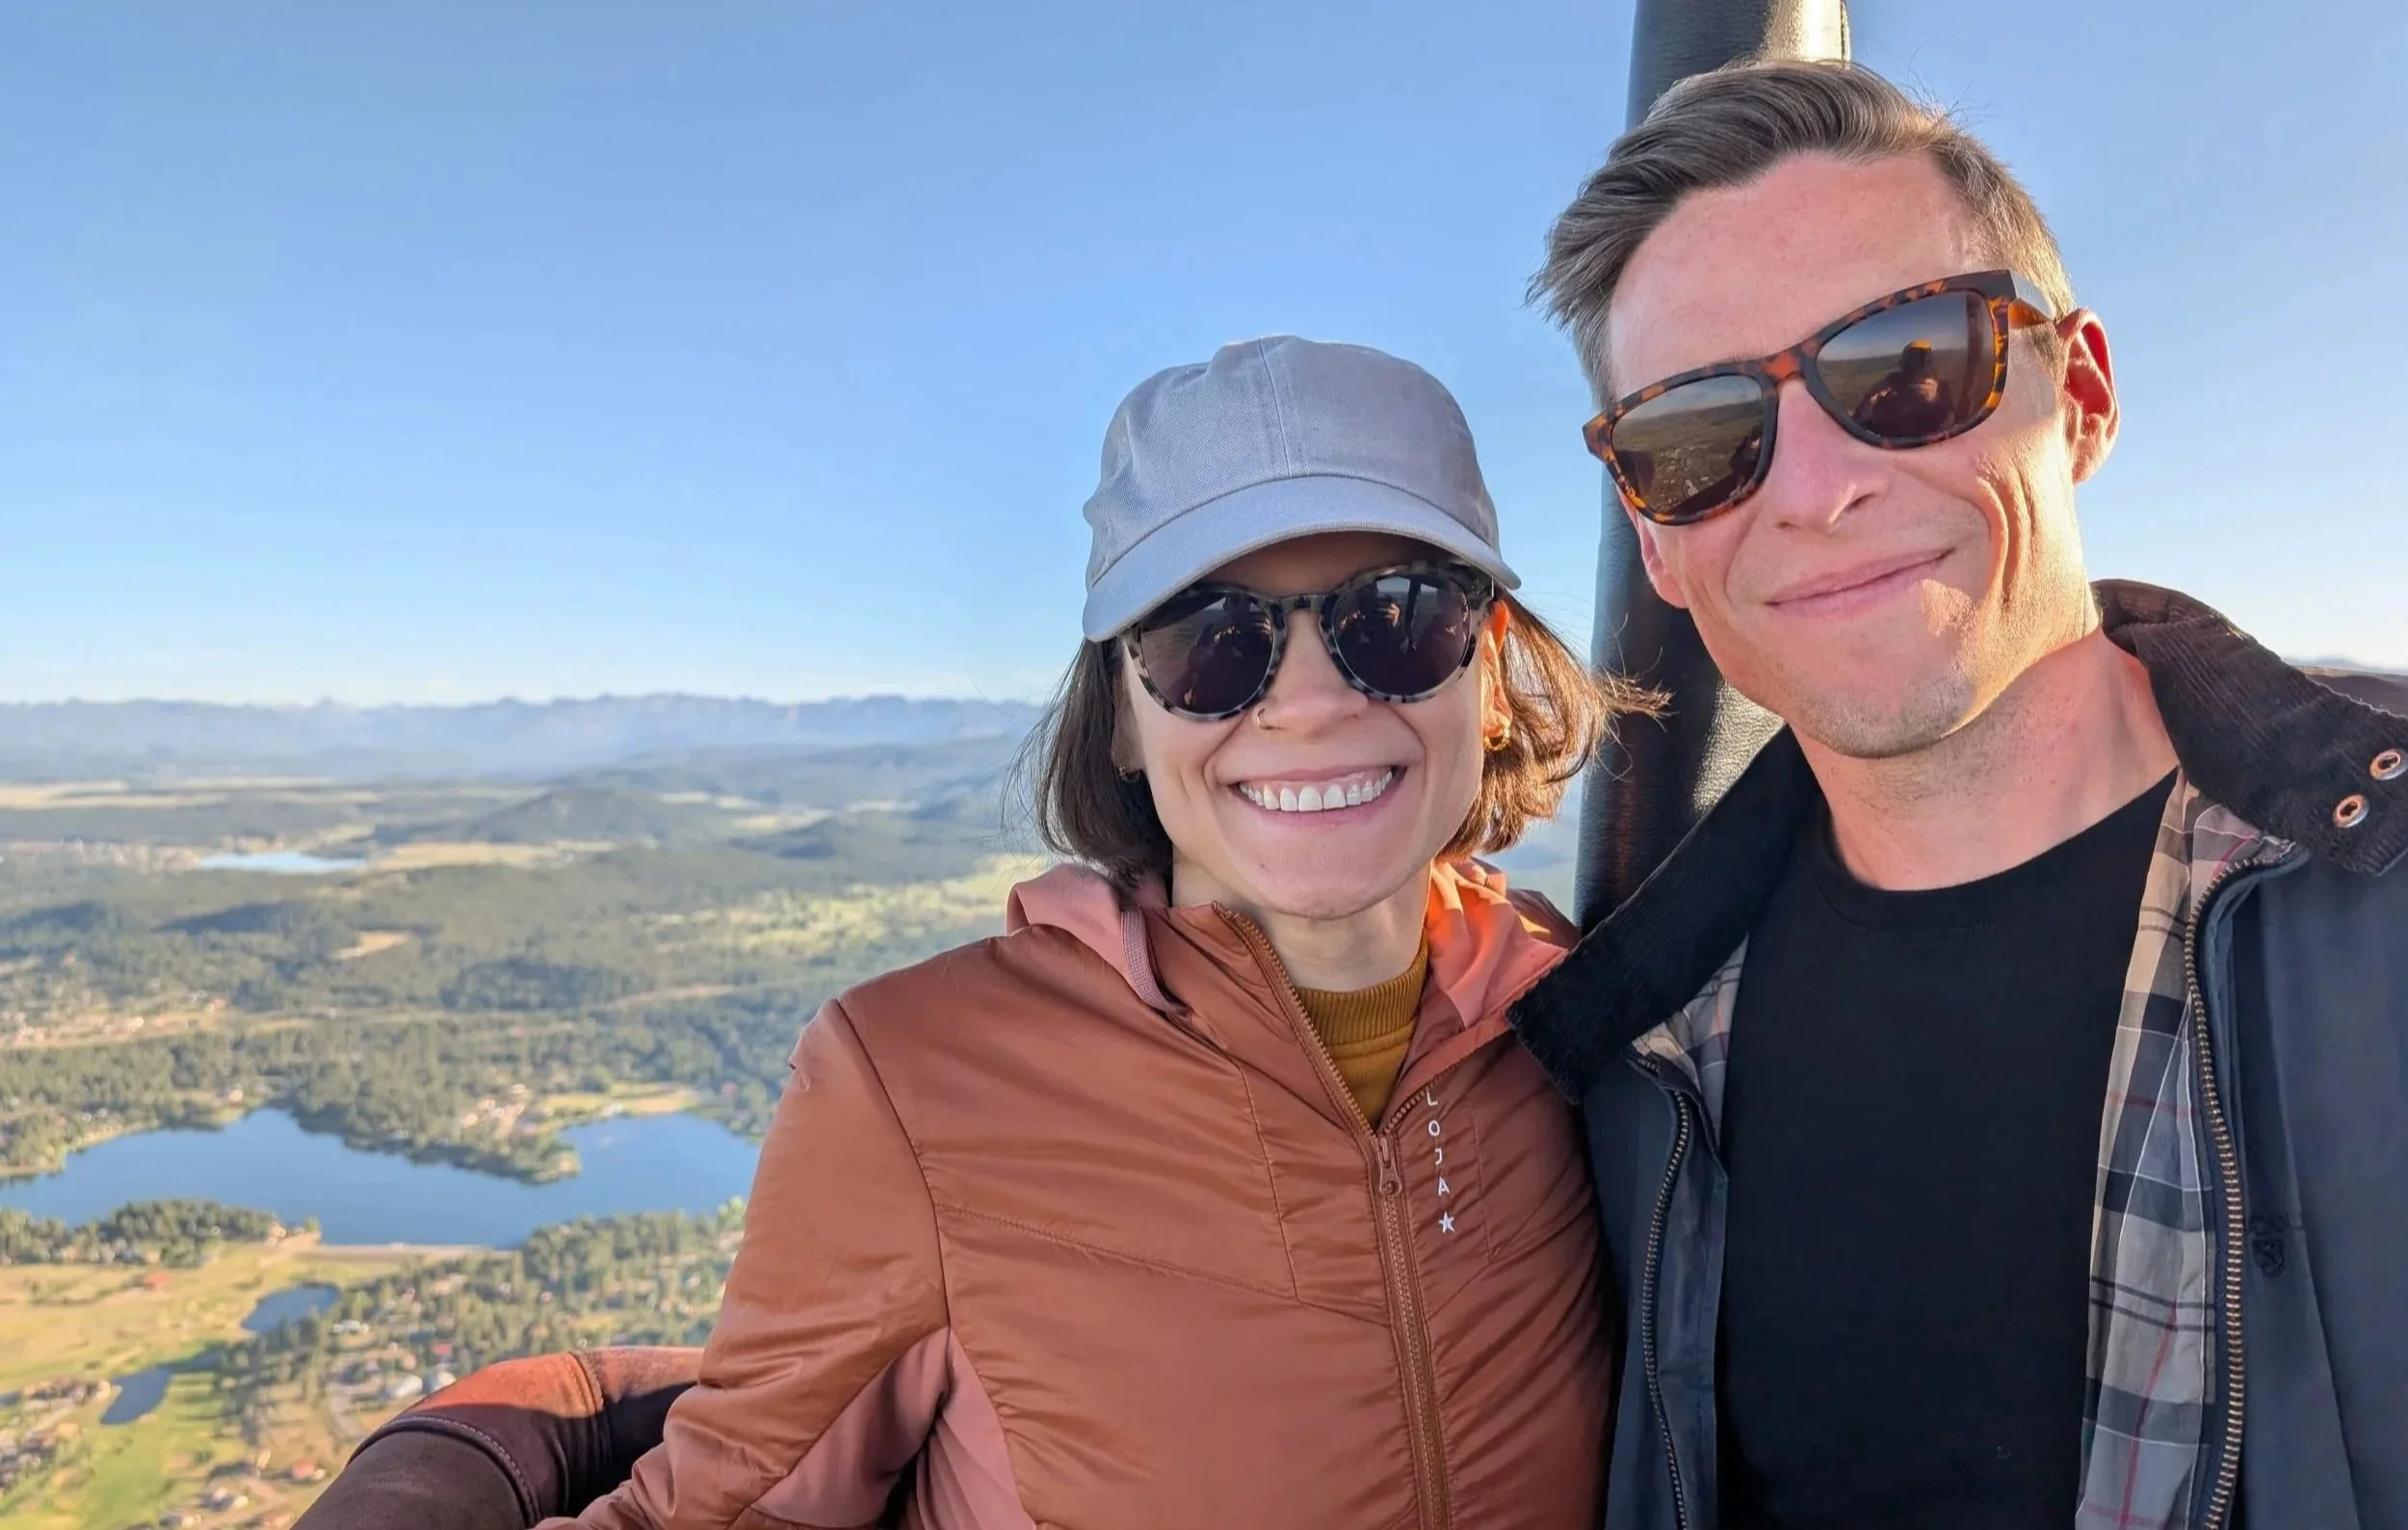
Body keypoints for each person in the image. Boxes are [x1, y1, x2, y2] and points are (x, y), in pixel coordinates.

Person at [301, 335, 1647, 1530]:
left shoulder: (1584, 1007)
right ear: (1120, 712)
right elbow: (735, 1507)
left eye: (1395, 618)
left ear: (1491, 663)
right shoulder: (916, 1079)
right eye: (1210, 642)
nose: (1305, 702)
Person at [1515, 59, 2408, 1530]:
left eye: (1908, 366)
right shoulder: (1629, 1049)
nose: (1810, 487)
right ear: (1657, 543)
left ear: (2083, 398)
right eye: (1696, 439)